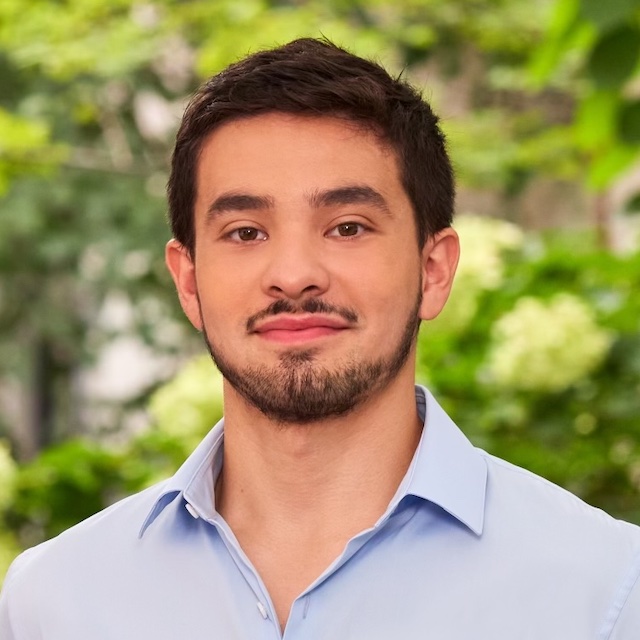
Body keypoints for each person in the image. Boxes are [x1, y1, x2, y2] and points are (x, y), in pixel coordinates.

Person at [1, 37, 639, 639]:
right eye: (246, 232)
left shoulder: (604, 592)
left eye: (348, 227)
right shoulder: (55, 603)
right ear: (189, 281)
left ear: (434, 270)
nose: (294, 275)